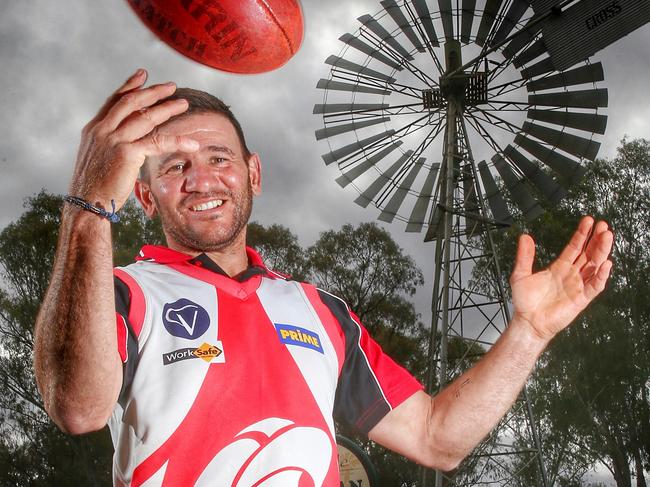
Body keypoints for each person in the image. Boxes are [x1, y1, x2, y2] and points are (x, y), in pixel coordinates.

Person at [33, 69, 614, 486]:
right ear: (141, 192)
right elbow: (78, 408)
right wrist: (86, 205)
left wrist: (529, 333)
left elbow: (439, 439)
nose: (202, 179)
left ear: (253, 173)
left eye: (219, 157)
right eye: (175, 166)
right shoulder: (121, 289)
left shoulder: (321, 309)